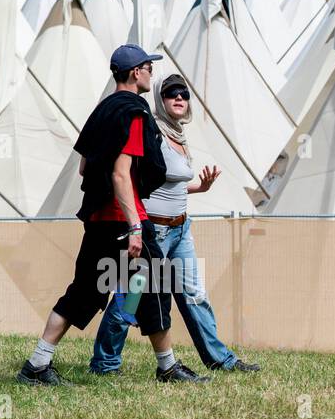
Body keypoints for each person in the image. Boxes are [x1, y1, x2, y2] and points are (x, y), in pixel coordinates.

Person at [16, 45, 211, 385]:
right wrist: (135, 225)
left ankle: (37, 363)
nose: (151, 74)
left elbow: (84, 168)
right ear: (136, 72)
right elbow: (122, 173)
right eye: (149, 68)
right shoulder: (134, 113)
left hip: (98, 220)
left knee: (84, 290)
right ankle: (167, 367)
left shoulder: (103, 110)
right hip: (126, 219)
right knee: (156, 286)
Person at [88, 73, 261, 376]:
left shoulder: (179, 135)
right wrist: (135, 228)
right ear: (160, 99)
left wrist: (199, 188)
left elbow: (170, 184)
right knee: (132, 297)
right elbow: (133, 177)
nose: (179, 98)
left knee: (195, 295)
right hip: (153, 231)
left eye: (183, 93)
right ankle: (105, 363)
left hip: (181, 230)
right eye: (171, 93)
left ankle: (220, 359)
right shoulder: (151, 131)